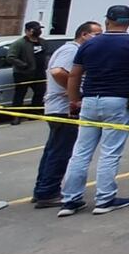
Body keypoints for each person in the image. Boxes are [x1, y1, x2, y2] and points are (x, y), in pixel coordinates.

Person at [58, 5, 129, 217]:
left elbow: (74, 74)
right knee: (110, 152)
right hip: (118, 99)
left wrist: (74, 100)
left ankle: (70, 199)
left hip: (91, 99)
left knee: (81, 151)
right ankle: (104, 198)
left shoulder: (90, 44)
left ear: (107, 21)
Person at [30, 21, 101, 208]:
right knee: (60, 151)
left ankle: (43, 189)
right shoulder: (72, 50)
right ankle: (48, 192)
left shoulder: (74, 50)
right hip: (63, 109)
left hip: (59, 108)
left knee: (54, 149)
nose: (100, 37)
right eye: (96, 33)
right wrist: (74, 94)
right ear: (84, 35)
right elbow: (58, 72)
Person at [7, 21, 49, 125]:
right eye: (35, 29)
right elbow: (11, 57)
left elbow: (46, 55)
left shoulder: (43, 42)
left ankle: (34, 114)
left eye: (40, 29)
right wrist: (23, 65)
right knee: (19, 95)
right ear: (28, 31)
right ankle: (16, 117)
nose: (38, 31)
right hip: (23, 74)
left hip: (39, 73)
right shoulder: (19, 43)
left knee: (39, 93)